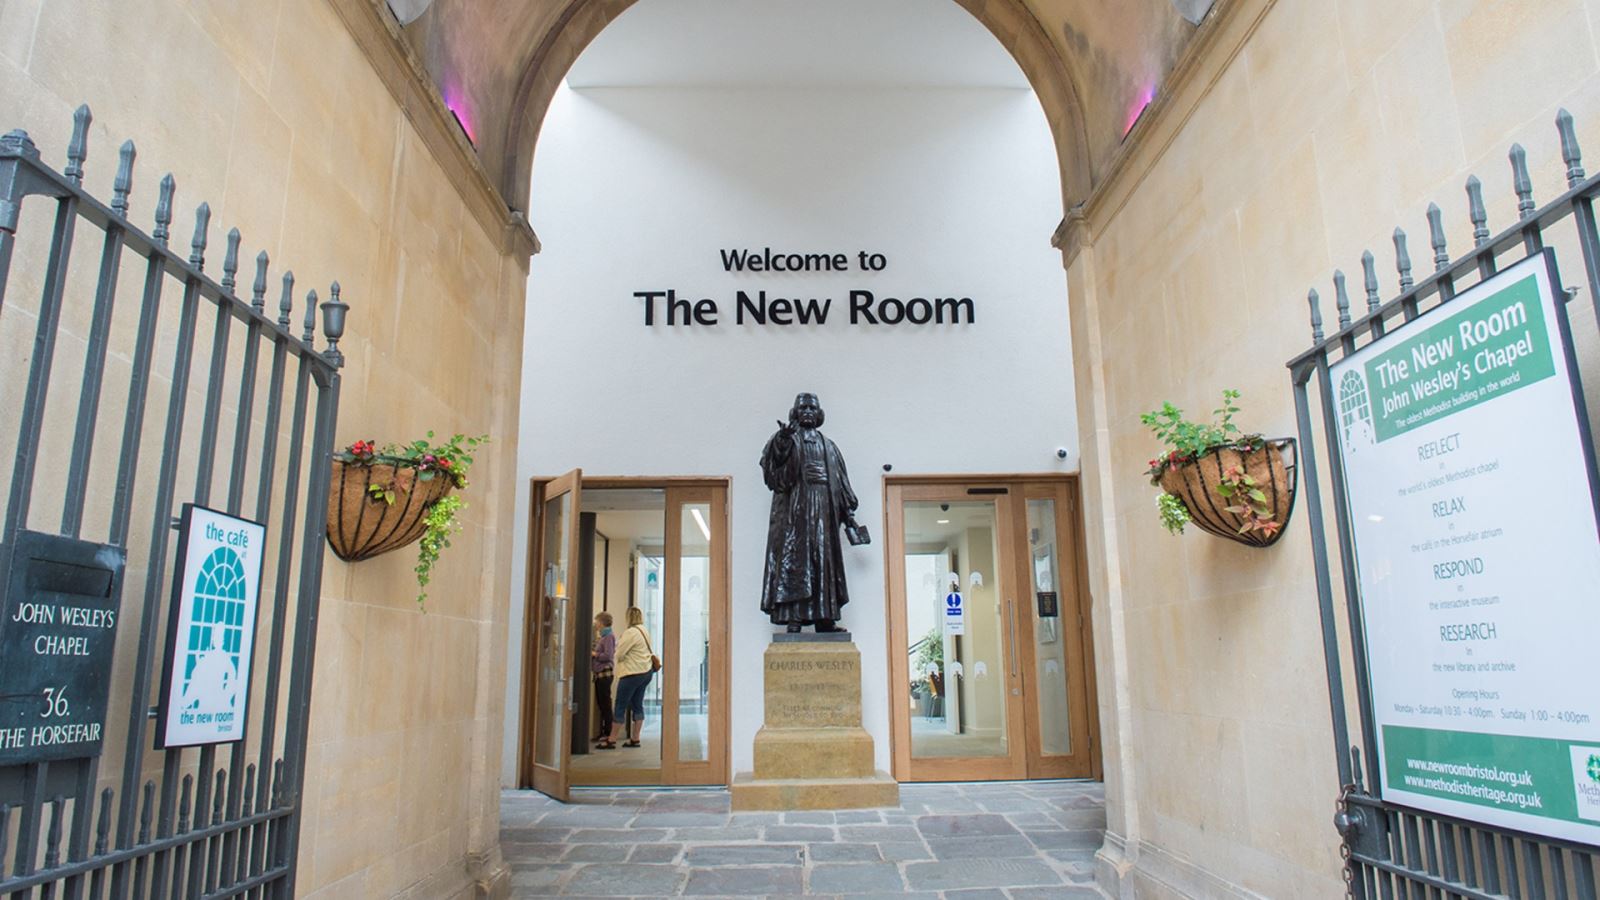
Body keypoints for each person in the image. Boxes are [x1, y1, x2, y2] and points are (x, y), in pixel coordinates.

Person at [758, 392, 869, 633]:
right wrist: (783, 441)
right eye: (803, 407)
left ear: (819, 414)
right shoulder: (787, 438)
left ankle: (824, 617)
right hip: (795, 512)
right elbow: (774, 471)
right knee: (796, 561)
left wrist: (847, 511)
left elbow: (839, 481)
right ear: (795, 413)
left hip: (824, 511)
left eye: (812, 407)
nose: (807, 411)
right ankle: (794, 617)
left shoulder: (828, 446)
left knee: (823, 561)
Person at [602, 607, 655, 749]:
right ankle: (635, 738)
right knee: (637, 704)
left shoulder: (630, 633)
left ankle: (612, 739)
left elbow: (619, 654)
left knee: (620, 705)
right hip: (645, 672)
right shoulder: (644, 630)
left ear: (628, 618)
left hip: (631, 673)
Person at [590, 612, 615, 743]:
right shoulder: (604, 637)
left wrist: (595, 654)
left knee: (605, 703)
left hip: (604, 674)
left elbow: (608, 656)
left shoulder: (608, 637)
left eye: (597, 622)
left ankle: (608, 732)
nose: (596, 625)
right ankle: (605, 731)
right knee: (602, 703)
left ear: (601, 623)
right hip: (600, 674)